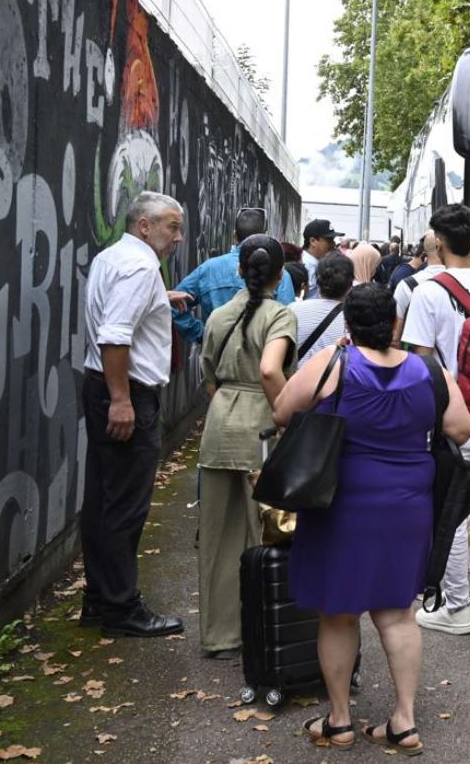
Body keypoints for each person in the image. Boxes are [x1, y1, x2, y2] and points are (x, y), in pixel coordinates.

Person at [274, 285, 470, 754]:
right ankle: (404, 722)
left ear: (348, 325)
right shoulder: (430, 371)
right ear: (394, 325)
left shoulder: (332, 363)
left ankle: (340, 721)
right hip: (408, 505)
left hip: (340, 503)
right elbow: (461, 429)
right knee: (398, 613)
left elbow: (282, 411)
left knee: (338, 613)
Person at [402, 204, 470, 635]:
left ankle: (456, 607)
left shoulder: (429, 292)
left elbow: (422, 363)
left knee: (451, 510)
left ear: (438, 242)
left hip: (450, 417)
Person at [81, 191, 190, 637]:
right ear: (144, 226)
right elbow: (115, 334)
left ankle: (99, 598)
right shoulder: (142, 268)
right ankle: (121, 608)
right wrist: (122, 399)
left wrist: (160, 299)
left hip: (100, 387)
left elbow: (117, 309)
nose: (178, 237)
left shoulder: (113, 258)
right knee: (126, 505)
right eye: (172, 227)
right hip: (127, 393)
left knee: (101, 499)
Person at [196, 234, 298, 658]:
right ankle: (266, 628)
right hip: (262, 430)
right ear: (280, 274)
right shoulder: (280, 316)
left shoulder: (218, 316)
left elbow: (209, 378)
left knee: (218, 536)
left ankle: (220, 635)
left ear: (240, 269)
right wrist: (285, 417)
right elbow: (271, 371)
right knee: (268, 533)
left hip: (220, 426)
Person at [171, 207, 296, 344]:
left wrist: (203, 335)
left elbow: (174, 304)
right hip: (265, 353)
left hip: (217, 353)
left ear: (235, 235)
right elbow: (287, 320)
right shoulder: (279, 273)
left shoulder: (208, 269)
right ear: (265, 236)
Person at [291, 252, 354, 368]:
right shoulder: (354, 319)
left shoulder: (292, 309)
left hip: (296, 378)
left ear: (317, 280)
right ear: (350, 284)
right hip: (334, 378)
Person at [392, 232, 442, 346]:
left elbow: (395, 337)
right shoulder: (465, 281)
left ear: (424, 252)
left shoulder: (406, 286)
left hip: (418, 355)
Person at [301, 219, 342, 299]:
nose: (333, 244)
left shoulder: (317, 263)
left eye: (333, 240)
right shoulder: (305, 266)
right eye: (329, 240)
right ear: (313, 241)